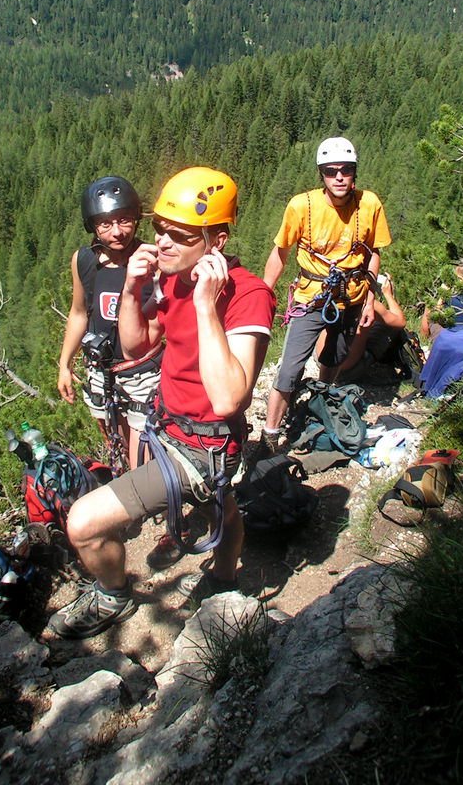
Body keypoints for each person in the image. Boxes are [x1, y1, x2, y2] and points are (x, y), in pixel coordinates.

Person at [48, 167, 276, 639]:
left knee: (84, 524)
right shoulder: (170, 277)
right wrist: (132, 288)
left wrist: (205, 306)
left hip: (202, 444)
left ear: (216, 240)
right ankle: (225, 577)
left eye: (180, 235)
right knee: (223, 503)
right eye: (159, 229)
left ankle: (113, 597)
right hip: (170, 425)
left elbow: (231, 396)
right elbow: (136, 347)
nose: (162, 242)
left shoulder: (247, 295)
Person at [261, 137, 391, 446]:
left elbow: (373, 252)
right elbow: (280, 253)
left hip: (352, 297)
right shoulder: (302, 206)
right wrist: (263, 296)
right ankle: (270, 433)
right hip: (312, 296)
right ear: (322, 174)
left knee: (334, 357)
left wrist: (371, 301)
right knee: (290, 368)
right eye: (331, 171)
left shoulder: (369, 204)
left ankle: (321, 398)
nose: (339, 177)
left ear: (354, 171)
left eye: (346, 170)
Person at [57, 176, 162, 473]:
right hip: (100, 371)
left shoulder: (151, 260)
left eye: (125, 220)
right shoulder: (84, 261)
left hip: (143, 371)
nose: (117, 231)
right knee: (115, 440)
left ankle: (150, 502)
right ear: (93, 226)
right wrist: (65, 364)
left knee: (143, 453)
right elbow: (79, 312)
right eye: (106, 224)